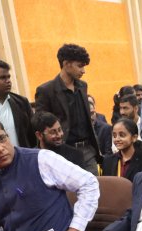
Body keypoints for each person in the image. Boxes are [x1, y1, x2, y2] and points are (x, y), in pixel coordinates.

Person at [34, 44, 100, 174]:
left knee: (95, 185)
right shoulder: (46, 90)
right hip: (63, 151)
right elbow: (40, 122)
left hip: (87, 150)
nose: (83, 71)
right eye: (80, 66)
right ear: (66, 64)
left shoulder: (83, 86)